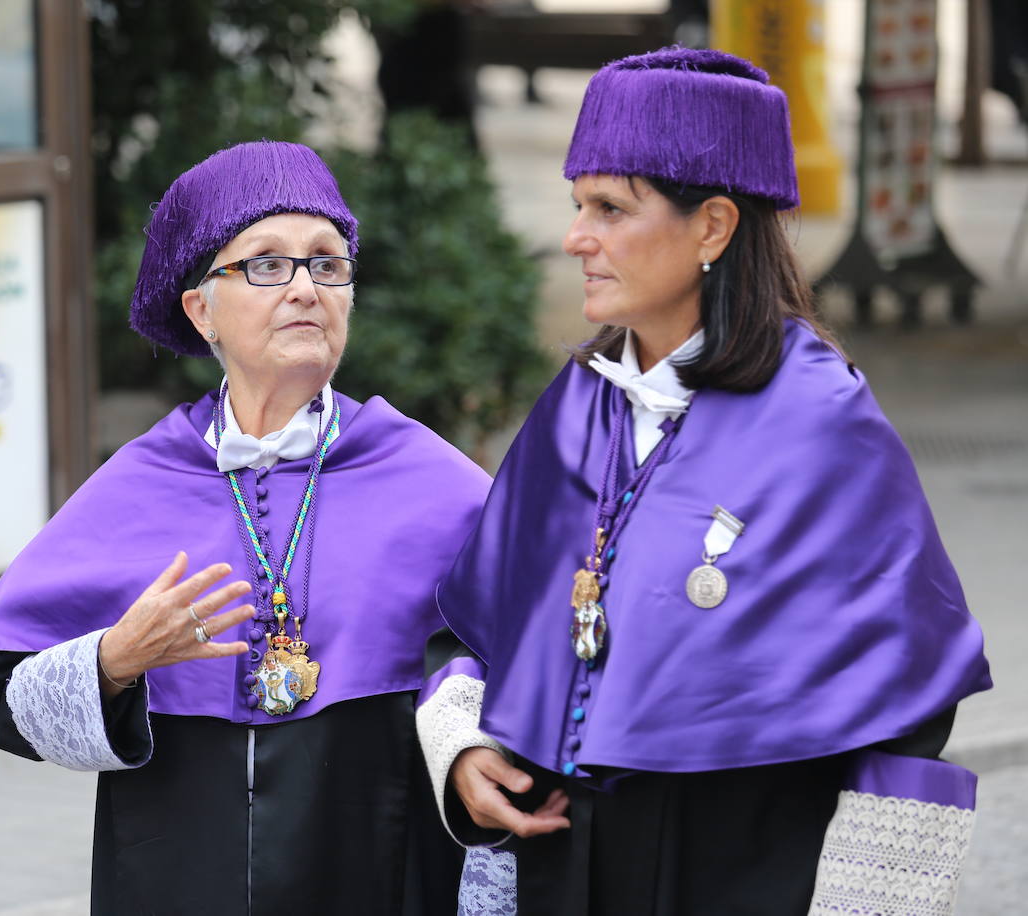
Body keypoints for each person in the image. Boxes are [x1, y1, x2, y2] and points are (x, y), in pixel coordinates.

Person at [415, 48, 992, 915]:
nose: (576, 237)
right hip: (561, 871)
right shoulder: (576, 402)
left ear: (714, 227)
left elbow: (907, 707)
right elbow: (476, 624)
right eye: (579, 206)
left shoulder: (821, 425)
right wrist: (462, 745)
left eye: (611, 208)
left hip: (740, 874)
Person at [0, 140, 489, 915]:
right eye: (267, 264)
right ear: (201, 308)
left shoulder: (434, 483)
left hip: (375, 865)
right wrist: (112, 662)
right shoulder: (141, 483)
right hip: (177, 873)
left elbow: (520, 663)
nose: (305, 287)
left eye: (328, 263)